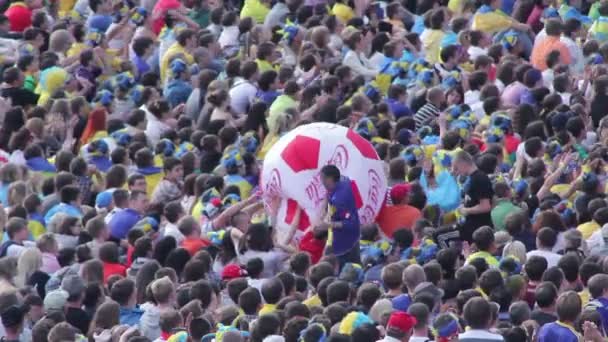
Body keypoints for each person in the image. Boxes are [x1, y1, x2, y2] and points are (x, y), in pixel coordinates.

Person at [316, 165, 361, 266]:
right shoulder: (344, 181)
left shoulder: (340, 200)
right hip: (350, 238)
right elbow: (329, 194)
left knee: (345, 270)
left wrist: (327, 225)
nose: (321, 181)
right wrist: (324, 207)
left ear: (330, 179)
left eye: (322, 178)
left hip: (345, 243)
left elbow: (351, 224)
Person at [452, 150, 493, 243]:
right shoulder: (471, 178)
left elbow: (485, 206)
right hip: (469, 222)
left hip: (477, 226)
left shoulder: (479, 178)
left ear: (463, 164)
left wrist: (466, 210)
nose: (456, 172)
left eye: (456, 168)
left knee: (438, 235)